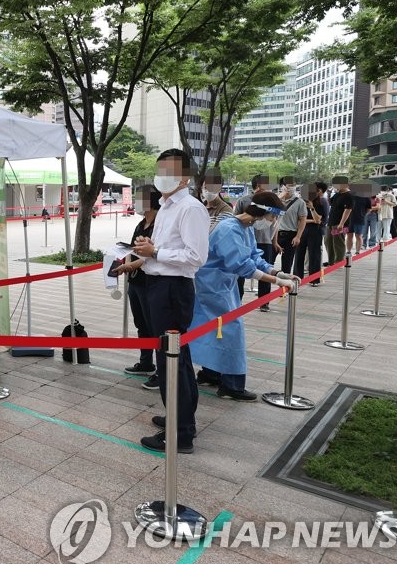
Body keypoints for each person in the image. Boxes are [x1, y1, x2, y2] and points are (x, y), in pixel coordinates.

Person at [131, 149, 208, 454]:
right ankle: (177, 416)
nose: (163, 174)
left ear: (185, 176)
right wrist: (148, 247)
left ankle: (181, 432)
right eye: (160, 168)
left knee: (173, 359)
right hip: (156, 284)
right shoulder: (166, 206)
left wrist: (156, 253)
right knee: (170, 358)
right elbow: (164, 247)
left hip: (173, 288)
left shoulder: (190, 208)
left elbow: (196, 257)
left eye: (171, 170)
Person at [191, 192, 299, 401]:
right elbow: (241, 265)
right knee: (231, 331)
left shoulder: (244, 228)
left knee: (215, 329)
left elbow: (253, 258)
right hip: (212, 286)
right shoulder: (229, 230)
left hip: (222, 285)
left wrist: (278, 273)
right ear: (264, 213)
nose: (273, 222)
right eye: (272, 218)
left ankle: (211, 373)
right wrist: (276, 282)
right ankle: (231, 385)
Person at [111, 185, 161, 388]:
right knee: (141, 324)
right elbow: (133, 249)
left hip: (152, 282)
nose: (136, 202)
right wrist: (124, 260)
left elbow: (151, 255)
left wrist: (130, 265)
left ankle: (162, 370)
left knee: (155, 326)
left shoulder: (160, 224)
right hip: (136, 281)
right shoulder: (141, 223)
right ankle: (145, 362)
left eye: (139, 198)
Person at [236, 175, 275, 310]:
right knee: (239, 275)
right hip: (243, 243)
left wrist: (276, 274)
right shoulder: (243, 202)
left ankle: (264, 302)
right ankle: (237, 302)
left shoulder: (271, 201)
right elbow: (236, 220)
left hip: (265, 241)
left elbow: (275, 225)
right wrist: (278, 279)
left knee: (264, 268)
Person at [273, 176, 307, 277]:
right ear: (282, 186)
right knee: (269, 263)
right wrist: (279, 198)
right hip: (275, 234)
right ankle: (267, 290)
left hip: (291, 235)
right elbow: (268, 213)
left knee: (287, 264)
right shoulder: (275, 200)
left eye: (293, 185)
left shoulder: (299, 202)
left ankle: (284, 290)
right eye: (289, 185)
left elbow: (302, 220)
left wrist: (298, 236)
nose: (292, 187)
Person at [295, 183, 328, 286]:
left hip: (315, 232)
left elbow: (318, 220)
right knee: (299, 254)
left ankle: (314, 279)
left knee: (315, 255)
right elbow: (298, 220)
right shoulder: (299, 203)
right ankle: (297, 278)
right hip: (302, 230)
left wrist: (312, 208)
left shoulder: (320, 203)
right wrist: (310, 220)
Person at [325, 176, 354, 264]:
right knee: (328, 241)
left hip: (340, 223)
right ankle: (331, 261)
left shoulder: (349, 195)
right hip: (331, 222)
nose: (335, 186)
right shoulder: (338, 194)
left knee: (338, 242)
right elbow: (331, 203)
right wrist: (329, 195)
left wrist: (341, 224)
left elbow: (348, 210)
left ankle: (339, 261)